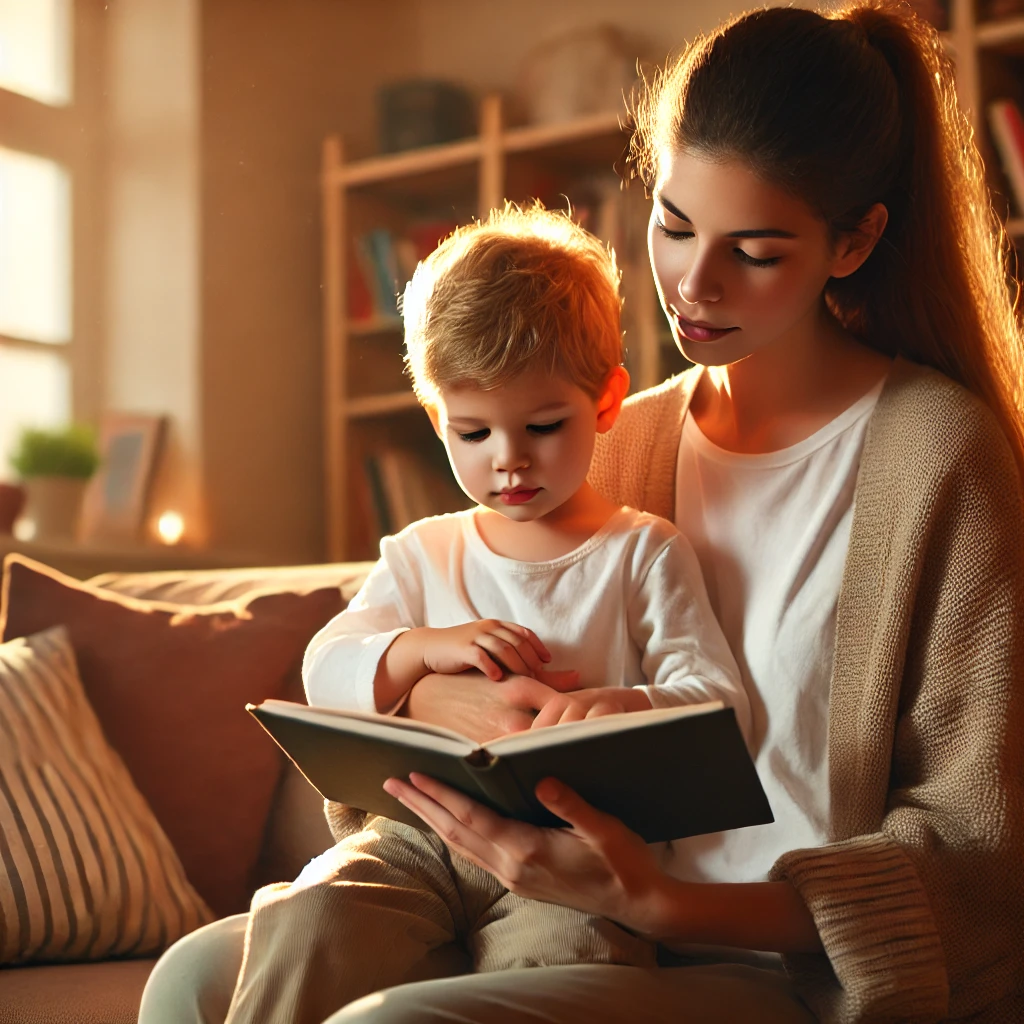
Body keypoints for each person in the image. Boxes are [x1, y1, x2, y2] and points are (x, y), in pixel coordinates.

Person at [139, 1, 1024, 1021]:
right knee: (192, 979)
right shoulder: (616, 438)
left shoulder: (937, 453)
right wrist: (432, 696)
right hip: (558, 898)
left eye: (757, 251)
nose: (693, 282)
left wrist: (658, 897)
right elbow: (432, 668)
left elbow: (979, 852)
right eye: (675, 224)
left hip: (779, 966)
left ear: (854, 240)